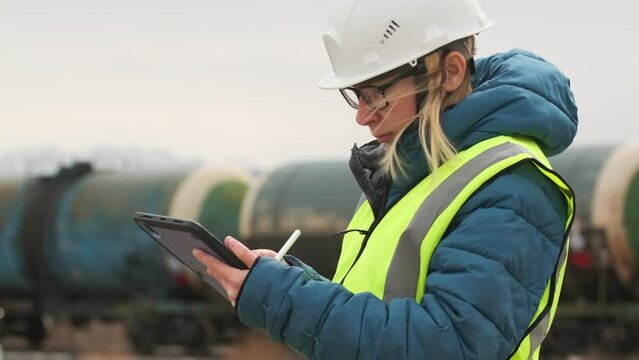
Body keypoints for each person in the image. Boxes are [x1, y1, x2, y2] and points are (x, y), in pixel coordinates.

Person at [193, 0, 578, 358]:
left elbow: (447, 345)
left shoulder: (510, 186)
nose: (363, 116)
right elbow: (377, 301)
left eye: (378, 93)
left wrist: (287, 300)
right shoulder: (411, 171)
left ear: (450, 71)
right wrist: (292, 280)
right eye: (356, 94)